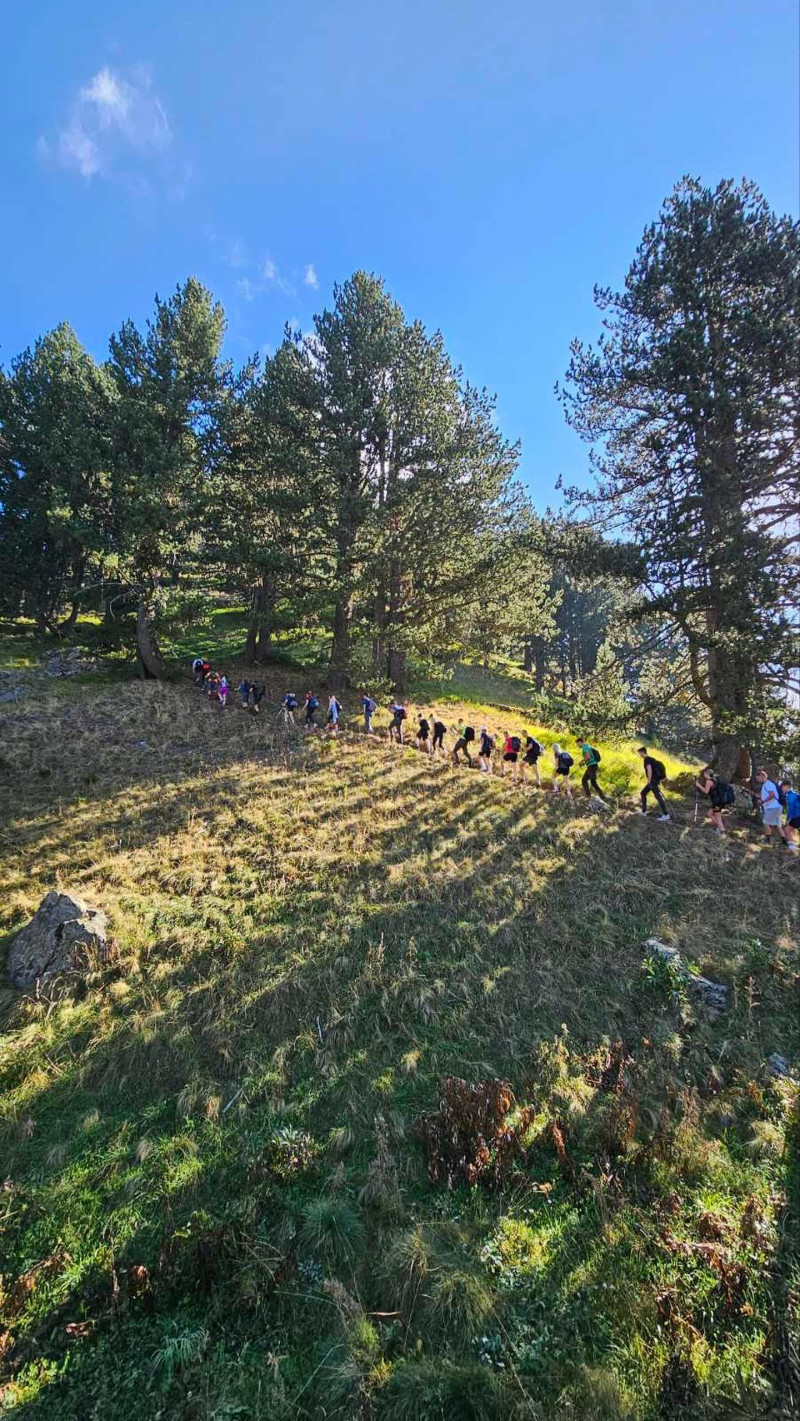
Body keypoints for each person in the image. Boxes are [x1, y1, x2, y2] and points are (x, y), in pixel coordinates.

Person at [695, 766, 734, 835]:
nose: (704, 775)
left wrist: (698, 785)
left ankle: (722, 831)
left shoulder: (708, 781)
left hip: (717, 802)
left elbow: (706, 791)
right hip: (719, 801)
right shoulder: (715, 779)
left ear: (707, 774)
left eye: (704, 774)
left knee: (717, 816)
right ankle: (719, 827)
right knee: (709, 814)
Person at [637, 747, 669, 820]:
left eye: (639, 753)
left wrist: (649, 780)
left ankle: (666, 814)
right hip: (654, 780)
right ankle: (644, 811)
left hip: (652, 781)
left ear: (642, 752)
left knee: (658, 797)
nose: (639, 755)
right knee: (643, 793)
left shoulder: (647, 759)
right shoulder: (651, 759)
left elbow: (649, 770)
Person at [757, 767, 783, 843]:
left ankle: (768, 841)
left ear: (763, 776)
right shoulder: (766, 785)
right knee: (777, 825)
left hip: (772, 807)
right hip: (776, 807)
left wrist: (763, 801)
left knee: (766, 822)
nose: (757, 779)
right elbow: (769, 794)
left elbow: (772, 794)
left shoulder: (767, 784)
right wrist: (760, 797)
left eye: (758, 778)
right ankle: (784, 841)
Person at [578, 738, 607, 803]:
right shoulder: (588, 746)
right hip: (593, 765)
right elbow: (589, 756)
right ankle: (600, 796)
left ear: (580, 742)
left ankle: (589, 796)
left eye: (577, 744)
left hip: (591, 766)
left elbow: (588, 757)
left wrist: (582, 762)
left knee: (588, 781)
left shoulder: (584, 748)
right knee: (588, 781)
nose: (577, 745)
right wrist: (583, 761)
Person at [779, 779, 800, 853]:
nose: (781, 788)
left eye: (782, 787)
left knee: (786, 830)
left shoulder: (790, 795)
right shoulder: (793, 794)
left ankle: (792, 848)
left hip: (797, 815)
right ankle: (792, 847)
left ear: (787, 786)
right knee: (788, 830)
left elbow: (791, 808)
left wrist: (788, 819)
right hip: (796, 815)